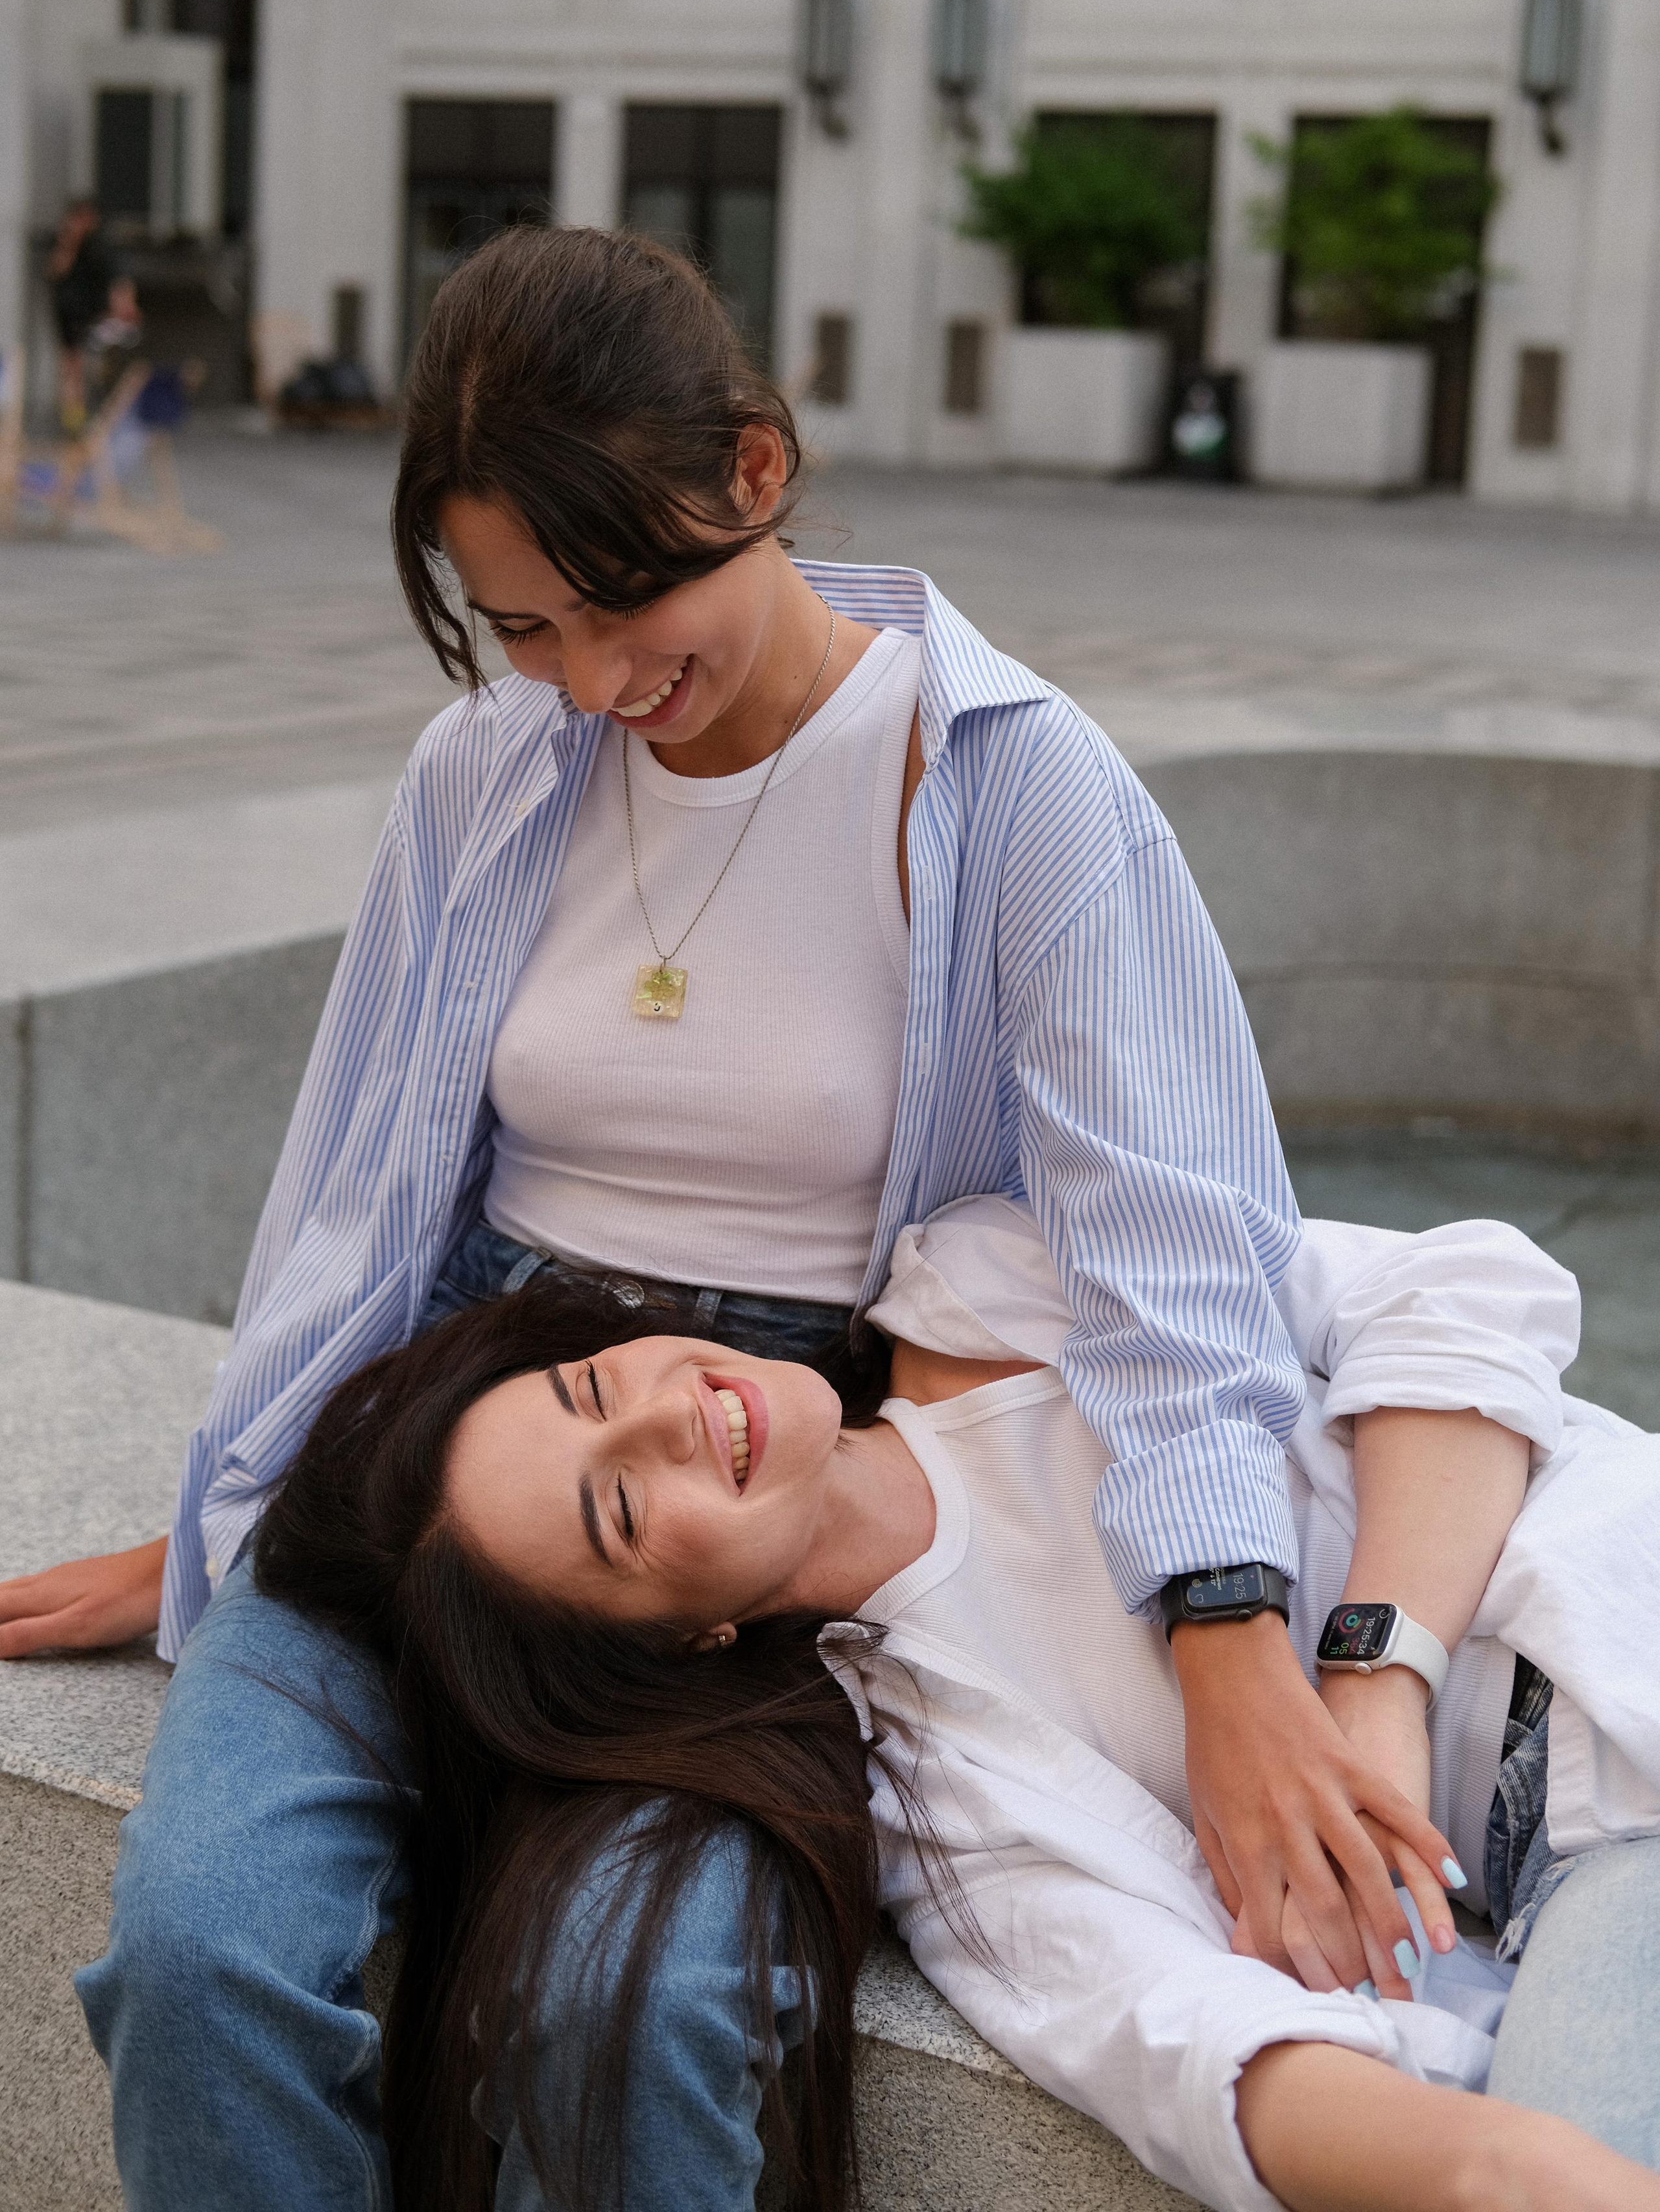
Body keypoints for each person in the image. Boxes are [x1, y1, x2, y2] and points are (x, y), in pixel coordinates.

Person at [2, 224, 1458, 2196]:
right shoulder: (482, 770)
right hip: (466, 1421)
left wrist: (1230, 1629)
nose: (597, 682)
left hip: (764, 1472)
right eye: (522, 625)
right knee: (203, 1942)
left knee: (647, 2000)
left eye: (624, 598)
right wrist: (236, 1508)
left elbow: (1172, 1251)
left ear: (754, 472)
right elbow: (348, 1202)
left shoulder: (1017, 785)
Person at [214, 1198, 1659, 2212]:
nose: (667, 1417)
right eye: (618, 1508)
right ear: (683, 1642)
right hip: (1600, 1856)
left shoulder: (992, 1290)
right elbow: (1169, 2031)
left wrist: (1372, 1675)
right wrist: (1497, 2172)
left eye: (593, 1385)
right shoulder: (937, 1785)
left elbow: (1454, 1290)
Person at [45, 196, 139, 435]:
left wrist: (124, 306)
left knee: (92, 366)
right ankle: (74, 422)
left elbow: (118, 280)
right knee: (71, 366)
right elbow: (56, 271)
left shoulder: (101, 245)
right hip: (69, 315)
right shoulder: (66, 242)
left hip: (94, 317)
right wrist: (70, 242)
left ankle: (98, 417)